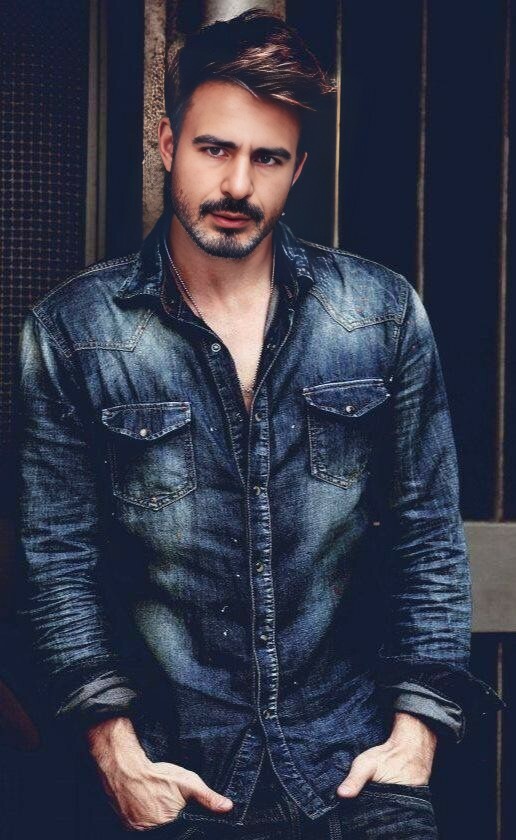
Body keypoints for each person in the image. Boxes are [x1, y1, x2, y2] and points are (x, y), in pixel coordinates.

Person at [16, 9, 502, 840]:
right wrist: (117, 757)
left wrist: (415, 738)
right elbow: (58, 561)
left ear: (298, 167)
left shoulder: (379, 315)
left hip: (356, 771)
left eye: (267, 158)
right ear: (168, 144)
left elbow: (427, 537)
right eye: (215, 149)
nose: (238, 185)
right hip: (173, 778)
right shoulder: (73, 332)